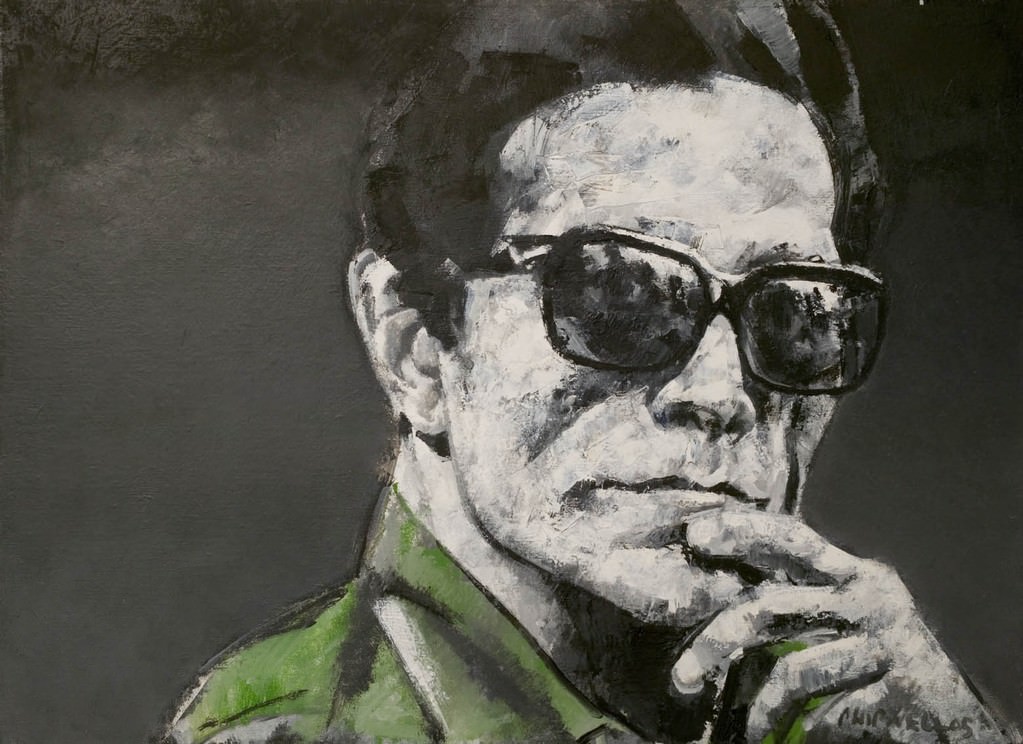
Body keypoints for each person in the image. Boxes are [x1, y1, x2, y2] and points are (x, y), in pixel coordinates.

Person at [159, 2, 1014, 742]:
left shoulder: (870, 707)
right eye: (620, 292)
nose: (719, 393)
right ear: (412, 343)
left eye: (796, 311)